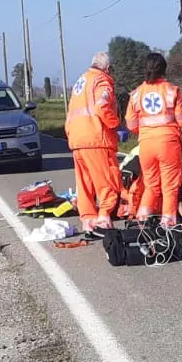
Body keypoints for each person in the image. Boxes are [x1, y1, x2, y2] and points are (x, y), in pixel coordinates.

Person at [123, 52, 182, 226]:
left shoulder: (136, 94)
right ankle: (168, 224)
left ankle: (142, 220)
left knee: (151, 185)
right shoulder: (172, 91)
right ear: (164, 69)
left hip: (145, 144)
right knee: (170, 187)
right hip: (168, 144)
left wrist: (146, 131)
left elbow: (131, 124)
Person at [63, 51, 124, 231]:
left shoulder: (81, 82)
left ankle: (88, 219)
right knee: (107, 179)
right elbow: (101, 106)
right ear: (108, 68)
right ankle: (104, 216)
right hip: (96, 138)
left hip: (76, 138)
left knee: (84, 183)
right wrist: (115, 125)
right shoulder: (102, 81)